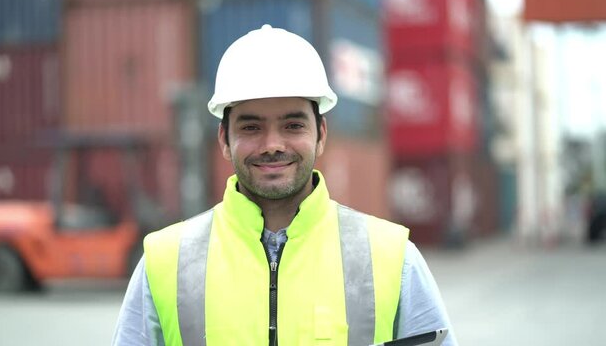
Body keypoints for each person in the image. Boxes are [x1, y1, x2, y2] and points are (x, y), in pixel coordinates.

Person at [112, 24, 458, 346]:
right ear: (224, 139)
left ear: (320, 135)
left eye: (293, 125)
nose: (272, 144)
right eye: (251, 127)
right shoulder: (165, 261)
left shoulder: (392, 257)